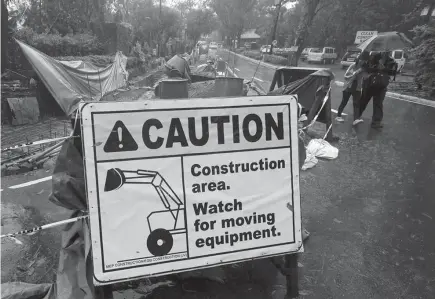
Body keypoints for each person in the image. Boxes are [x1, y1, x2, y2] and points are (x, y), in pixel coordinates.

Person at [357, 51, 397, 128]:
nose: (387, 53)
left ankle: (376, 122)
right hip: (369, 84)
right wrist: (376, 68)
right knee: (363, 101)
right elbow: (364, 67)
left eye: (388, 52)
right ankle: (357, 115)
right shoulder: (372, 55)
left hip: (381, 85)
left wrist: (384, 69)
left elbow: (392, 72)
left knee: (378, 103)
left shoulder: (390, 60)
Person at [335, 52, 369, 125]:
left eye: (364, 60)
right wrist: (354, 74)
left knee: (356, 104)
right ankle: (338, 116)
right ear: (358, 59)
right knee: (344, 102)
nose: (362, 62)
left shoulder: (364, 68)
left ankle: (356, 119)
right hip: (349, 86)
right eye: (361, 60)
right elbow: (345, 76)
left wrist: (364, 72)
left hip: (358, 88)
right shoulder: (353, 66)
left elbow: (366, 77)